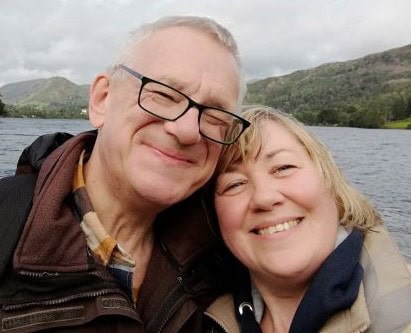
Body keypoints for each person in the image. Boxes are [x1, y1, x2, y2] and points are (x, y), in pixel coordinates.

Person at [0, 16, 251, 332]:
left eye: (215, 115)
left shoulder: (228, 258)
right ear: (102, 99)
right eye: (163, 94)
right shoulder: (6, 222)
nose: (187, 131)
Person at [203, 105, 411, 332]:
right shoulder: (203, 319)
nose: (264, 197)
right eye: (235, 184)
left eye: (283, 167)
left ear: (331, 183)